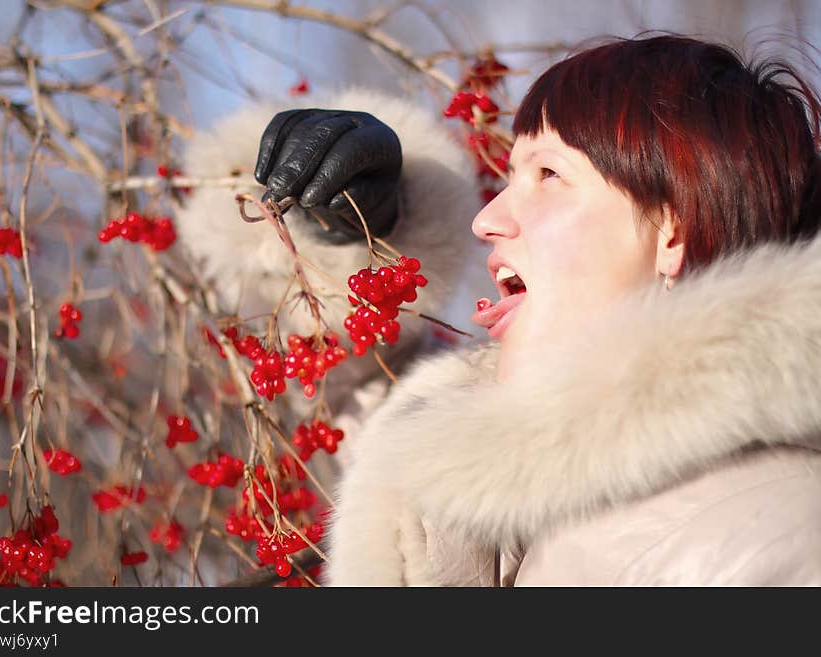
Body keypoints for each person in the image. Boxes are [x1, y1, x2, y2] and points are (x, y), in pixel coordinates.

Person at [321, 34, 821, 585]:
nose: (485, 218)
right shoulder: (531, 507)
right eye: (510, 177)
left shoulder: (771, 536)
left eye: (549, 175)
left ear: (675, 229)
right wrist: (350, 238)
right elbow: (383, 458)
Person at [175, 89, 487, 482]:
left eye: (549, 173)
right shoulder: (475, 419)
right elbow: (383, 401)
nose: (497, 216)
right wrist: (389, 223)